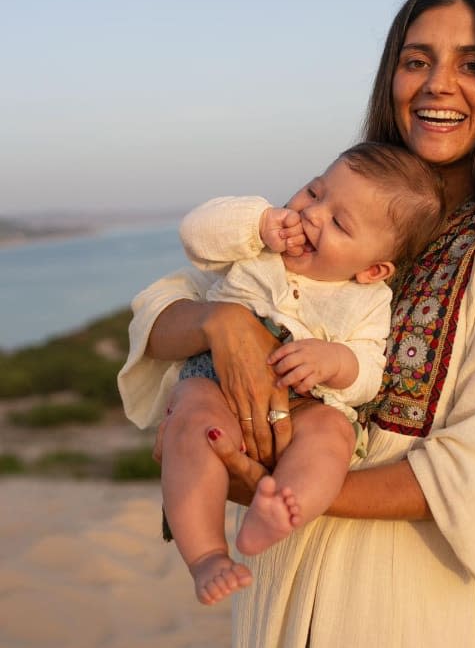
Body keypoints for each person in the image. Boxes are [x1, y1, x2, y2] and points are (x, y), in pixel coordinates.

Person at [118, 0, 475, 647]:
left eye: (473, 64)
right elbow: (158, 314)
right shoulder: (346, 205)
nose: (437, 83)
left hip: (406, 604)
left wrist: (273, 487)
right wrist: (219, 324)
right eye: (416, 60)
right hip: (280, 589)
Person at [160, 142, 444, 605]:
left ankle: (279, 509)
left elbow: (369, 372)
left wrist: (334, 360)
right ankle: (207, 554)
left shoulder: (368, 302)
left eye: (338, 223)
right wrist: (259, 223)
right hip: (215, 377)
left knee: (332, 435)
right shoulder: (258, 251)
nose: (312, 215)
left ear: (373, 269)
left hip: (309, 401)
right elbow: (196, 235)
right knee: (194, 422)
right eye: (314, 192)